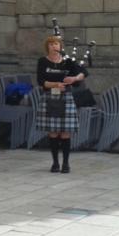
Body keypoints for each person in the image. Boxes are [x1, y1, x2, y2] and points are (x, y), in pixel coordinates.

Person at [36, 35, 88, 173]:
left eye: (56, 44)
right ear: (47, 47)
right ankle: (55, 163)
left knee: (65, 132)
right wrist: (56, 84)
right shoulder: (42, 61)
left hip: (66, 97)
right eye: (51, 44)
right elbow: (41, 81)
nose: (54, 46)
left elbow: (84, 72)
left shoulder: (67, 61)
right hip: (50, 96)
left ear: (60, 46)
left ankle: (66, 163)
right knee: (53, 132)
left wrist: (74, 78)